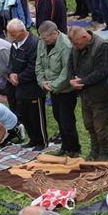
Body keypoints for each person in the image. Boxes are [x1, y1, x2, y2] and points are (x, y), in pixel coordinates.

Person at [68, 25, 108, 162]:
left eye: (76, 43)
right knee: (89, 124)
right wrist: (71, 79)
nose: (75, 46)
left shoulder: (101, 46)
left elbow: (101, 71)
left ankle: (104, 153)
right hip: (84, 93)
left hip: (99, 94)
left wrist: (82, 81)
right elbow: (70, 63)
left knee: (100, 127)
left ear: (85, 37)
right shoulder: (76, 47)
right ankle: (94, 150)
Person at [37, 21, 80, 157]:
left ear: (55, 33)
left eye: (46, 38)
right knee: (58, 119)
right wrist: (42, 82)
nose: (44, 41)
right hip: (52, 90)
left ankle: (74, 148)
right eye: (42, 38)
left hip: (66, 91)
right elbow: (38, 64)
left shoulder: (66, 46)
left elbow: (67, 71)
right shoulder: (42, 43)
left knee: (67, 121)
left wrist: (53, 85)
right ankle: (64, 145)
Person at [5, 19, 47, 149]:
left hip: (33, 88)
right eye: (10, 34)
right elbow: (11, 60)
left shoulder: (34, 45)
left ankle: (42, 141)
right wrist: (11, 73)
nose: (11, 37)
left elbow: (34, 68)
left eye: (13, 35)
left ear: (23, 31)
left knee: (36, 117)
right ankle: (33, 140)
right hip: (21, 88)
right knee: (26, 117)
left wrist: (19, 78)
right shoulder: (14, 44)